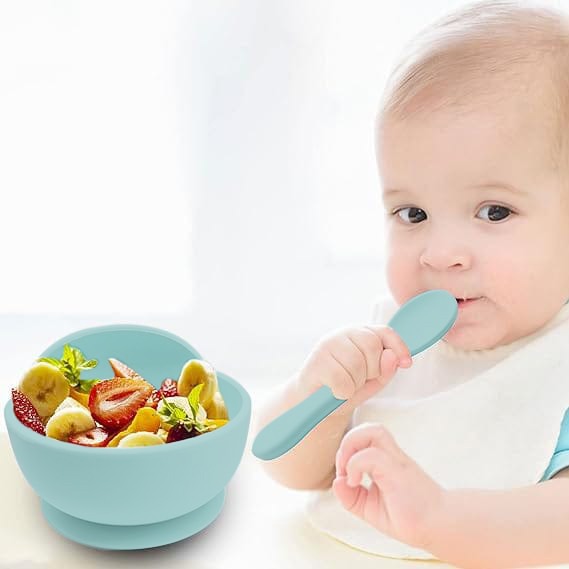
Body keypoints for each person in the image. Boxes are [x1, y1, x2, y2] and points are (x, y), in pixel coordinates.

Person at [252, 1, 569, 566]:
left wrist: (441, 517)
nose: (440, 254)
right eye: (413, 214)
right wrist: (319, 395)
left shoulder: (556, 363)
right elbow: (287, 468)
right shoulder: (395, 342)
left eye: (494, 212)